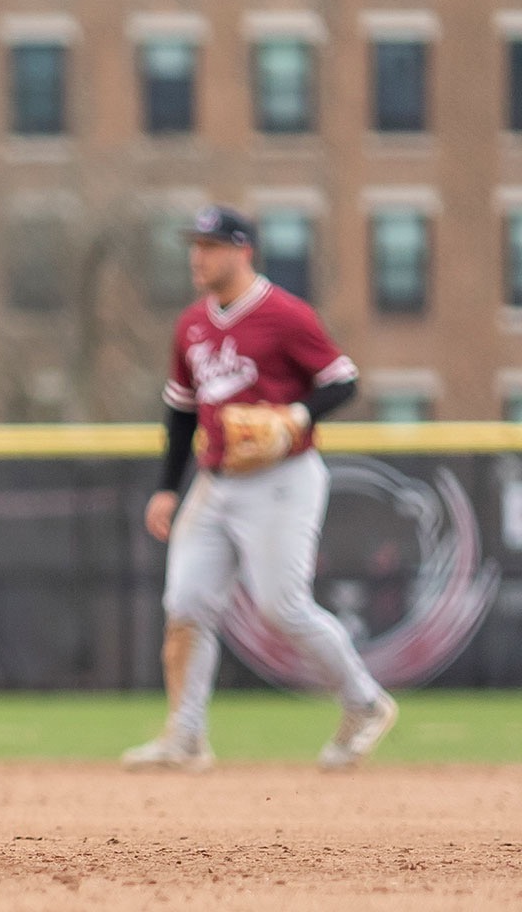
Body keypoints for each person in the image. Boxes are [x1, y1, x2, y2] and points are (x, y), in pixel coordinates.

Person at [123, 206, 397, 773]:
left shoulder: (285, 315)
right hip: (214, 481)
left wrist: (296, 414)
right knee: (186, 606)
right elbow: (179, 413)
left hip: (282, 480)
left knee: (283, 607)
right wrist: (167, 489)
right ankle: (186, 737)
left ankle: (365, 703)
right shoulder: (191, 325)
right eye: (194, 246)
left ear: (242, 251)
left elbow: (343, 382)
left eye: (210, 246)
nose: (198, 257)